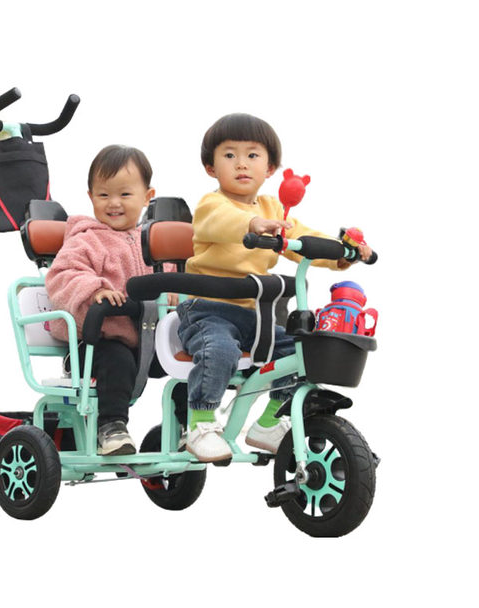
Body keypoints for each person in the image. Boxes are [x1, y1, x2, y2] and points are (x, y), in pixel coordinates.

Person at [177, 113, 372, 462]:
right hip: (206, 309)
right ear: (210, 167)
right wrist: (252, 223)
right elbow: (221, 222)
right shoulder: (211, 205)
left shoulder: (273, 208)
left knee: (301, 353)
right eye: (229, 155)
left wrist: (344, 252)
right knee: (219, 350)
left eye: (252, 155)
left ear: (269, 168)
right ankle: (201, 423)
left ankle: (269, 422)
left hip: (254, 314)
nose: (241, 163)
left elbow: (303, 237)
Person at [46, 145, 187, 456]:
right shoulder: (87, 240)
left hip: (149, 339)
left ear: (148, 196)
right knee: (117, 360)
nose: (113, 203)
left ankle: (189, 425)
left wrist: (173, 286)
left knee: (186, 357)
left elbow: (169, 270)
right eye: (103, 195)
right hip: (96, 343)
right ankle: (110, 427)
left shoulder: (153, 240)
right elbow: (62, 274)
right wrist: (95, 289)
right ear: (90, 196)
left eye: (124, 194)